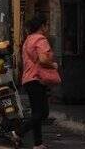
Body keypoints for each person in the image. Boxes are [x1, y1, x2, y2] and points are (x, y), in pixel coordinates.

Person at [16, 14, 59, 149]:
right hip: (37, 79)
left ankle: (38, 143)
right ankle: (19, 132)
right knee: (42, 113)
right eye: (47, 25)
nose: (47, 28)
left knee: (36, 113)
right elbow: (43, 59)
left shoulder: (28, 40)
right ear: (42, 26)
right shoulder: (41, 40)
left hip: (28, 79)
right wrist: (53, 65)